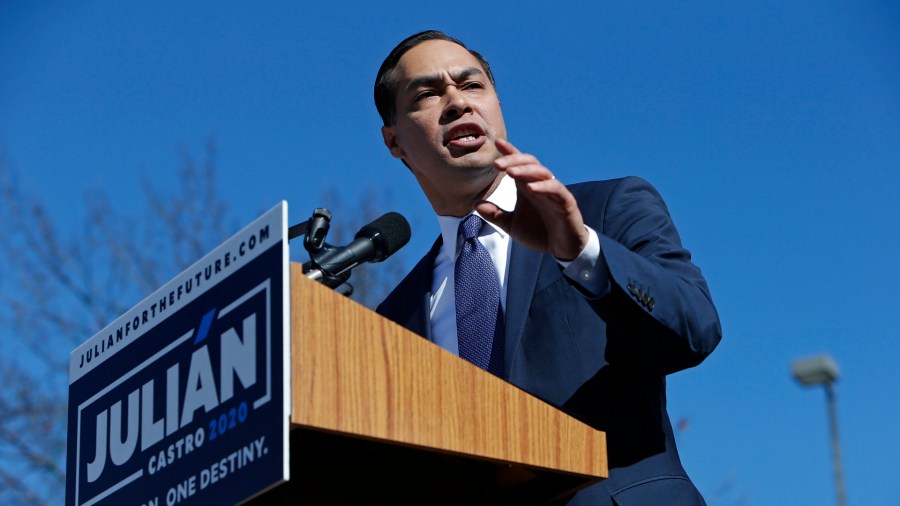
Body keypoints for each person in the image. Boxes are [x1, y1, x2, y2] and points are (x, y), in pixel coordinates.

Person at [374, 30, 722, 505]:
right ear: (394, 140)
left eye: (472, 86)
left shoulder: (605, 209)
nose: (457, 102)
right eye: (429, 93)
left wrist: (582, 253)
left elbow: (695, 329)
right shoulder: (392, 320)